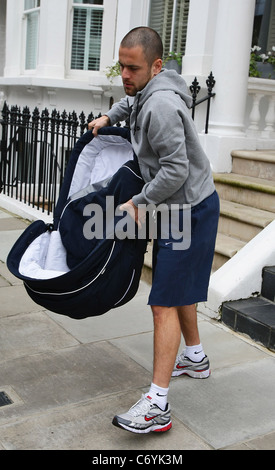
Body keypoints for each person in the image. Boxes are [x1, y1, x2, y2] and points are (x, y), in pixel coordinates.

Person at [88, 26, 219, 434]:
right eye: (122, 67)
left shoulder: (161, 106)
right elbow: (133, 101)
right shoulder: (149, 89)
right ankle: (194, 358)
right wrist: (112, 114)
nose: (125, 75)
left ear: (156, 66)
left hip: (189, 209)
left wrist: (137, 202)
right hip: (179, 207)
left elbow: (176, 171)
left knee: (163, 301)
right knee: (176, 291)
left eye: (133, 68)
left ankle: (157, 405)